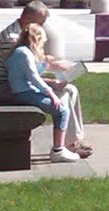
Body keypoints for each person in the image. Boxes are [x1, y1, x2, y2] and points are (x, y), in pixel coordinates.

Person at [0, 0, 89, 155]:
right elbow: (25, 75)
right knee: (62, 96)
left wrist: (54, 73)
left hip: (16, 82)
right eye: (40, 23)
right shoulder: (12, 39)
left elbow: (29, 71)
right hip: (5, 87)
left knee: (71, 89)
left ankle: (73, 140)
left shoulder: (21, 35)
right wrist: (51, 85)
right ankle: (65, 146)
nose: (41, 27)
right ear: (27, 19)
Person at [6, 22, 82, 164]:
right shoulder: (23, 53)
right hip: (23, 93)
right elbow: (33, 78)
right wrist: (51, 94)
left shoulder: (23, 52)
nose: (44, 43)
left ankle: (69, 142)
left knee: (67, 93)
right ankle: (58, 151)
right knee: (61, 111)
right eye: (43, 40)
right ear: (37, 39)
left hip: (27, 90)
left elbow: (31, 76)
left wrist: (53, 82)